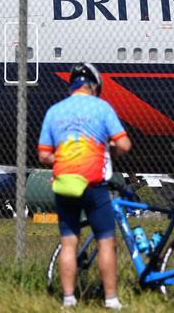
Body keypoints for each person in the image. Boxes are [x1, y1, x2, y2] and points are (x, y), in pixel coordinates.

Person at [38, 62, 132, 310]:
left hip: (66, 185)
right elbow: (124, 145)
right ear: (95, 85)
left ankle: (68, 299)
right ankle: (110, 300)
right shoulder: (102, 108)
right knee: (105, 241)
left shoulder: (54, 112)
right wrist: (107, 150)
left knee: (69, 243)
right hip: (94, 185)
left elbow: (44, 156)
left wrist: (65, 158)